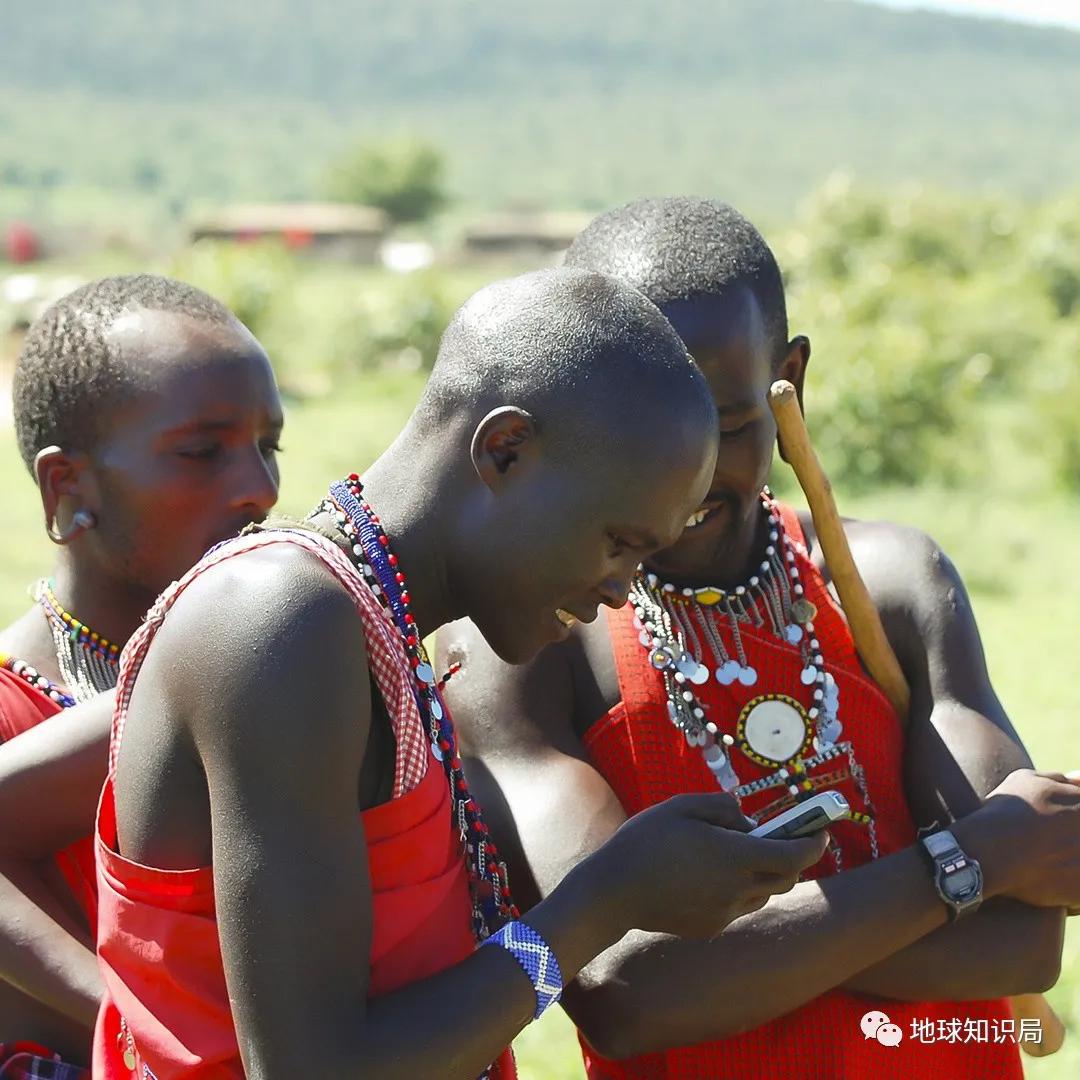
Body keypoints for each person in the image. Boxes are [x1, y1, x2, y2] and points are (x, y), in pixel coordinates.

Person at [90, 267, 829, 1079]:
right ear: (505, 450)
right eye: (618, 542)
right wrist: (601, 904)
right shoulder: (282, 622)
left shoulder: (373, 631)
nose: (620, 589)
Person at [438, 199, 1080, 1079]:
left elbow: (1021, 941)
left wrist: (736, 956)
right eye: (645, 435)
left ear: (790, 383)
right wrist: (965, 864)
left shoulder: (891, 586)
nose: (687, 474)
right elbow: (626, 992)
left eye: (728, 426)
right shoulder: (530, 640)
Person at [0, 274, 283, 1073]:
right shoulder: (14, 717)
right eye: (203, 452)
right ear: (68, 487)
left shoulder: (289, 674)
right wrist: (149, 1029)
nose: (260, 488)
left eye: (270, 446)